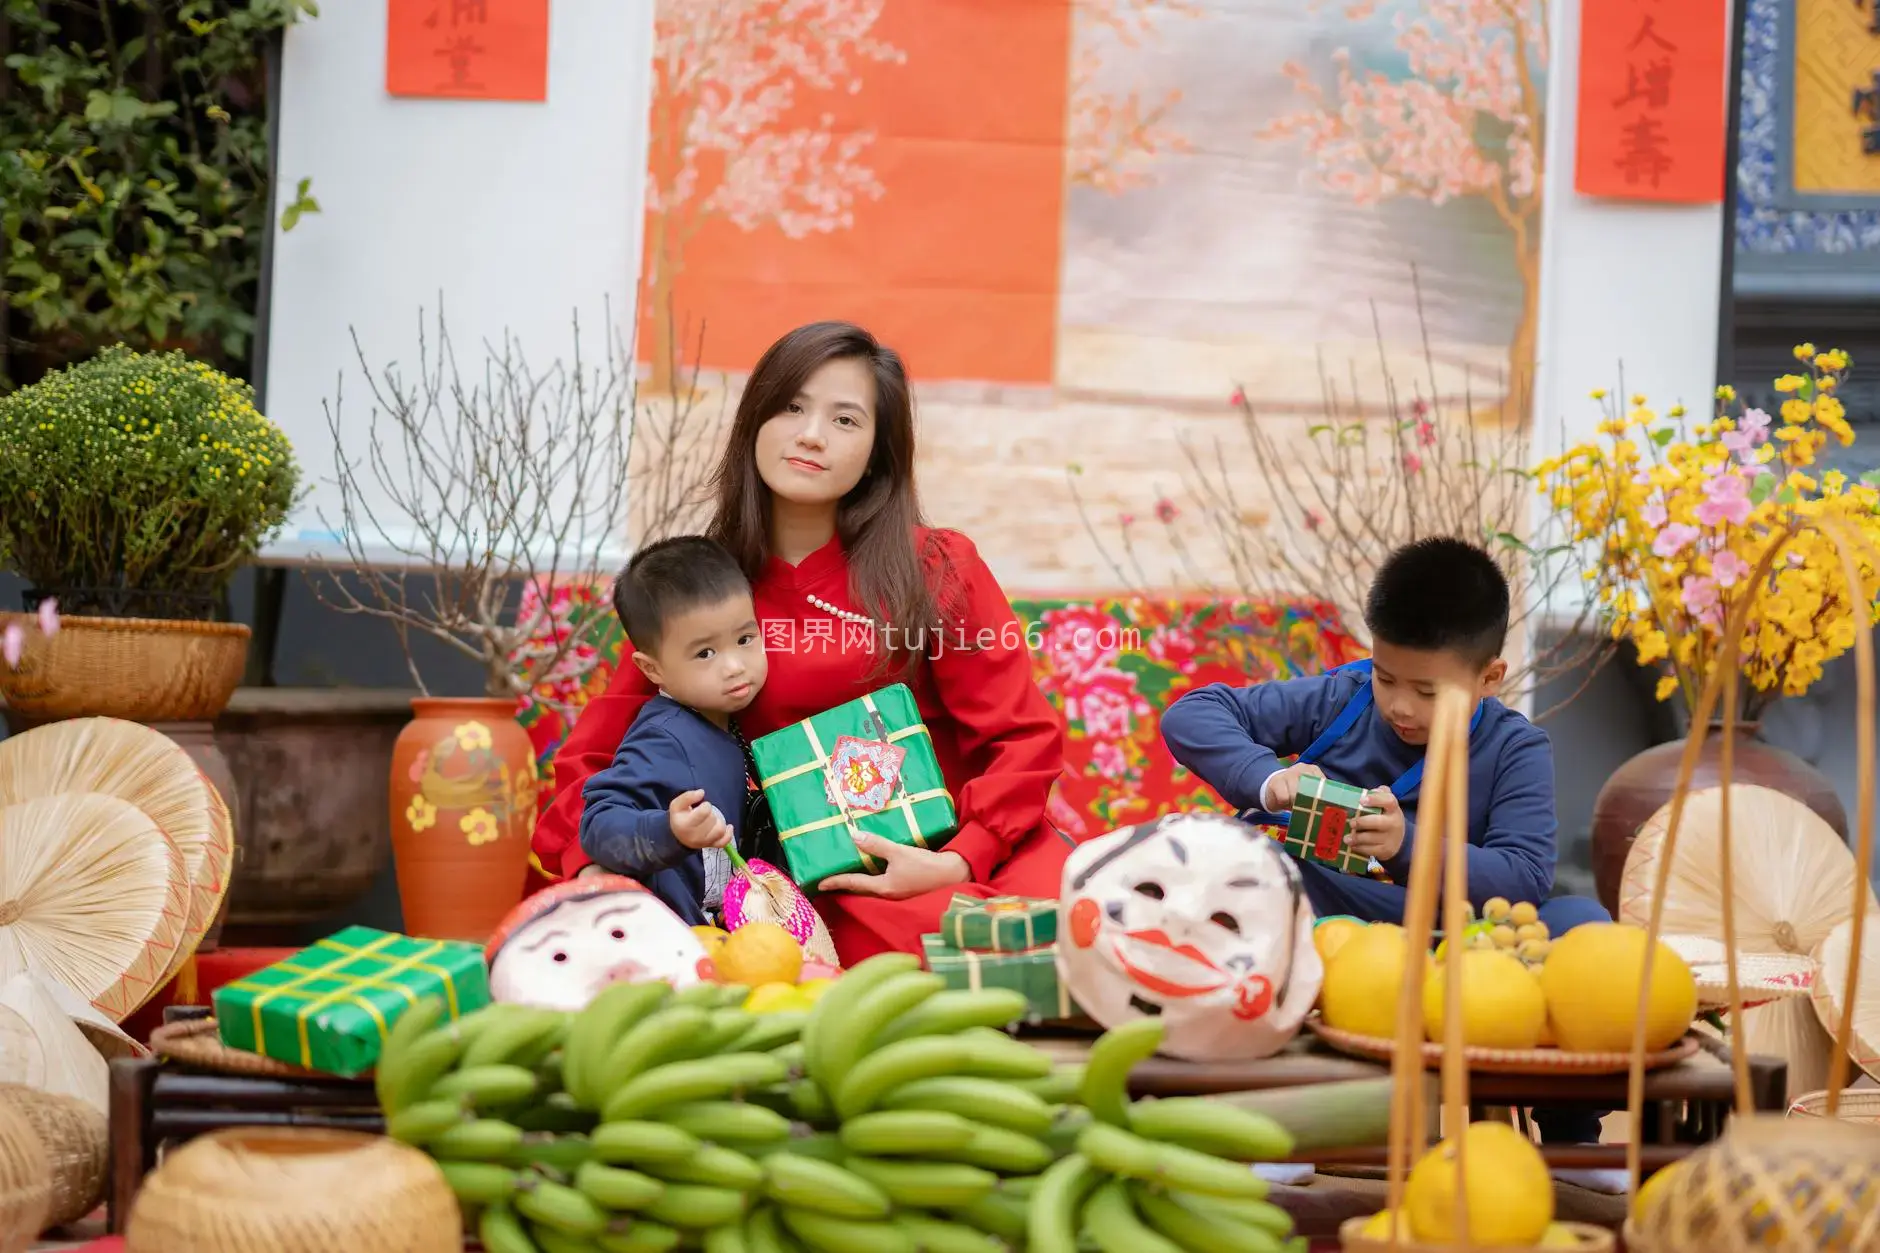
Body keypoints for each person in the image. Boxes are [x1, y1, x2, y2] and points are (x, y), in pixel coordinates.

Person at [531, 320, 1073, 962]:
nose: (811, 436)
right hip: (805, 883)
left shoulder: (936, 567)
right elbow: (601, 753)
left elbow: (1021, 738)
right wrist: (601, 868)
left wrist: (960, 859)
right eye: (791, 407)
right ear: (756, 420)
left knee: (1068, 935)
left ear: (878, 449)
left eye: (846, 420)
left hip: (957, 856)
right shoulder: (703, 586)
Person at [1160, 537, 1622, 1180]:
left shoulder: (1518, 748)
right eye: (1386, 678)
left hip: (1461, 941)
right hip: (1331, 927)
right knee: (1244, 858)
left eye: (1429, 691)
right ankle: (1271, 1123)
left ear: (1491, 678)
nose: (1400, 705)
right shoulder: (1342, 699)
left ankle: (1571, 1142)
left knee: (1583, 926)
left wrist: (1409, 846)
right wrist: (1269, 781)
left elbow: (1522, 879)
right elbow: (1195, 713)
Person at [577, 536, 769, 927]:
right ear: (652, 670)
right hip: (674, 937)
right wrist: (669, 829)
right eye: (705, 653)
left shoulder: (725, 722)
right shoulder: (663, 739)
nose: (734, 666)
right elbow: (598, 824)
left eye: (745, 639)